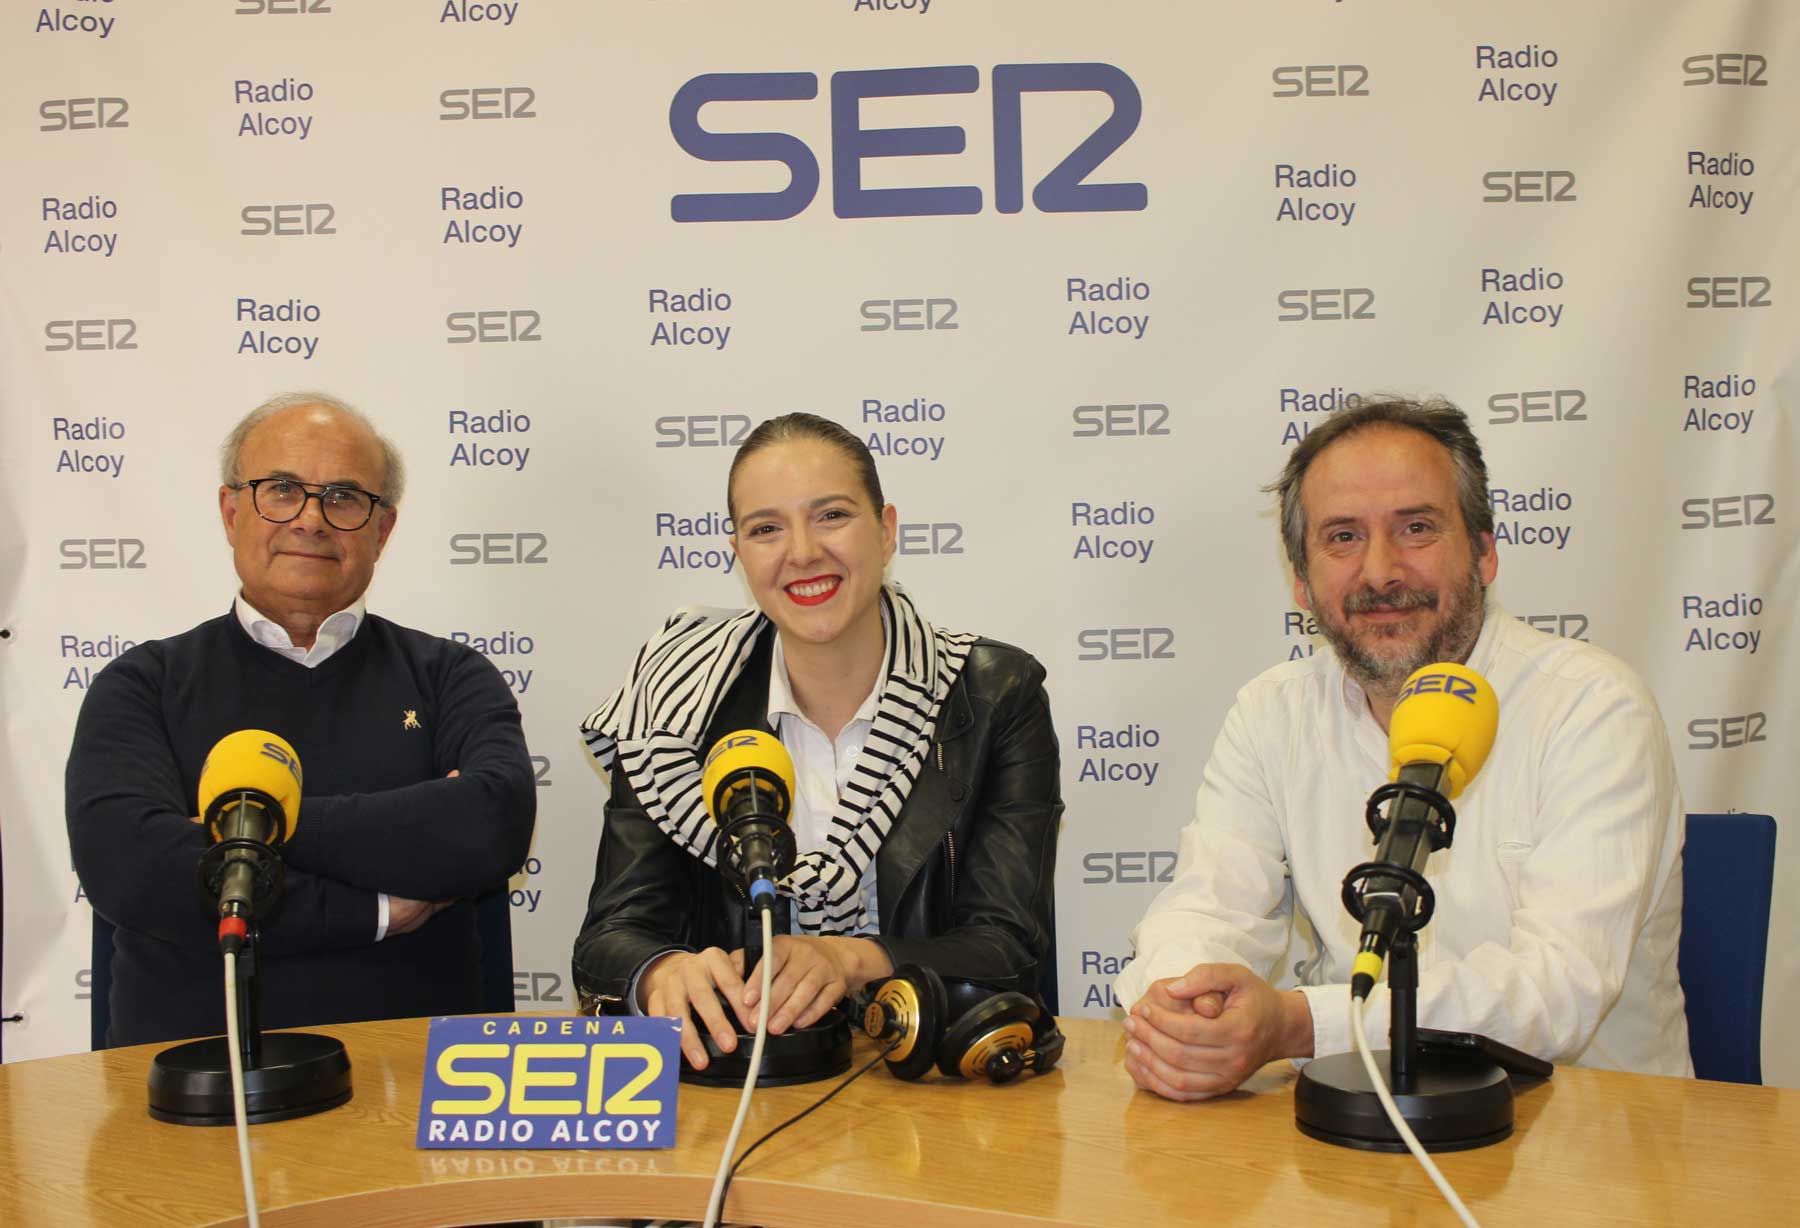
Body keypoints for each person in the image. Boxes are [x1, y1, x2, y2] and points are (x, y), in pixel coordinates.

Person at [1117, 397, 1690, 1100]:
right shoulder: (1273, 711)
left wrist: (1296, 1024)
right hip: (1355, 1137)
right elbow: (1205, 907)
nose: (1380, 572)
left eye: (1416, 528)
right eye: (1342, 538)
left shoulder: (1592, 706)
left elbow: (1558, 996)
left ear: (1484, 550)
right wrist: (1185, 1006)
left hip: (1590, 1140)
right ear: (1300, 578)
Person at [574, 413, 1061, 1069]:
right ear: (738, 553)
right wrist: (660, 972)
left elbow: (1009, 946)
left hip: (933, 1097)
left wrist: (849, 958)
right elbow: (610, 936)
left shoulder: (996, 694)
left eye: (832, 515)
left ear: (886, 531)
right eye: (766, 529)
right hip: (745, 1092)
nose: (801, 551)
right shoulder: (674, 704)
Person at [66, 392, 536, 1046]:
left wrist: (229, 832)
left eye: (344, 497)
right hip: (191, 1092)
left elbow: (488, 825)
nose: (311, 519)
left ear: (384, 528)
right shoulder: (142, 685)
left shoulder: (449, 677)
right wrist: (372, 910)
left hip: (414, 1091)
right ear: (231, 512)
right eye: (281, 489)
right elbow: (132, 867)